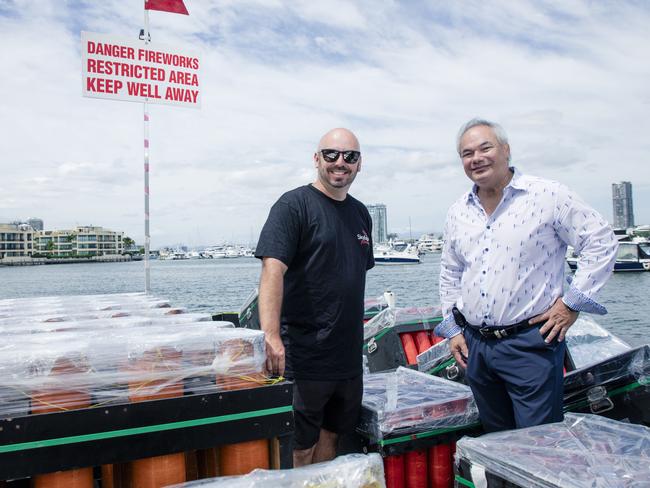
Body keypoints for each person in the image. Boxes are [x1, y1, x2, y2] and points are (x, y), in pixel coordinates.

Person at [436, 118, 617, 432]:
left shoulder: (547, 195)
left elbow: (600, 241)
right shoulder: (458, 212)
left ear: (506, 150)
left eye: (485, 148)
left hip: (530, 344)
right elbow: (450, 272)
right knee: (495, 443)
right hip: (476, 346)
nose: (476, 158)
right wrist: (452, 330)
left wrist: (572, 304)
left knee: (539, 446)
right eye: (467, 153)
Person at [255, 128, 374, 466]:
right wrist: (271, 335)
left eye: (349, 156)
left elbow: (349, 278)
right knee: (300, 445)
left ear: (359, 164)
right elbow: (272, 271)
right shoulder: (293, 205)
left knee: (332, 437)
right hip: (304, 357)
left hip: (347, 358)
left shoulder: (361, 214)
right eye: (331, 154)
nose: (340, 163)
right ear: (316, 159)